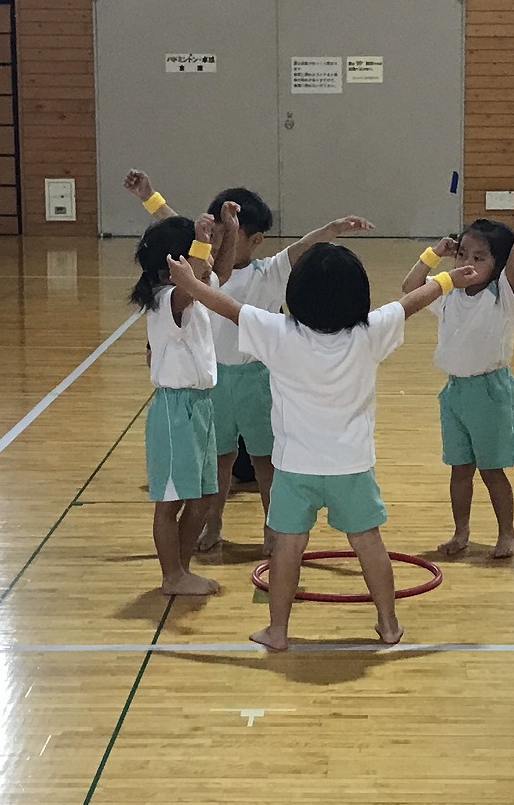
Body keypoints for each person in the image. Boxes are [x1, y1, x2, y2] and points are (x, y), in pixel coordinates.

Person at [168, 241, 480, 651]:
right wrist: (449, 279)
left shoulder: (278, 333)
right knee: (368, 543)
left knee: (288, 547)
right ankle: (388, 624)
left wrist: (191, 283)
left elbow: (229, 308)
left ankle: (277, 630)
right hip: (352, 467)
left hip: (295, 468)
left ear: (296, 294)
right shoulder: (369, 333)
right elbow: (410, 303)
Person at [124, 170, 371, 556]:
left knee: (265, 460)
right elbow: (172, 226)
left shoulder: (268, 271)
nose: (218, 239)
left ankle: (273, 529)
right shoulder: (202, 274)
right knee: (219, 461)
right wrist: (149, 196)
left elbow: (305, 246)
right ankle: (213, 523)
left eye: (230, 234)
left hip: (257, 380)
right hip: (214, 382)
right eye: (214, 234)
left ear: (254, 240)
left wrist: (334, 228)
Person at [401, 212, 514, 559]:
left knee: (492, 471)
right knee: (459, 469)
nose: (467, 264)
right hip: (454, 393)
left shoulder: (503, 295)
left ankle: (507, 534)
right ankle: (461, 531)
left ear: (497, 264)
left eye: (479, 258)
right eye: (462, 254)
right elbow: (411, 287)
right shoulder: (449, 292)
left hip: (490, 393)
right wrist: (433, 254)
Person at [128, 201, 238, 596]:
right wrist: (203, 241)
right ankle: (171, 575)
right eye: (196, 253)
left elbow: (220, 273)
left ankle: (182, 570)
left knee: (204, 496)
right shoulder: (166, 301)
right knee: (170, 502)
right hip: (175, 411)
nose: (206, 262)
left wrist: (229, 231)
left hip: (200, 407)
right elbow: (194, 282)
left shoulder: (192, 291)